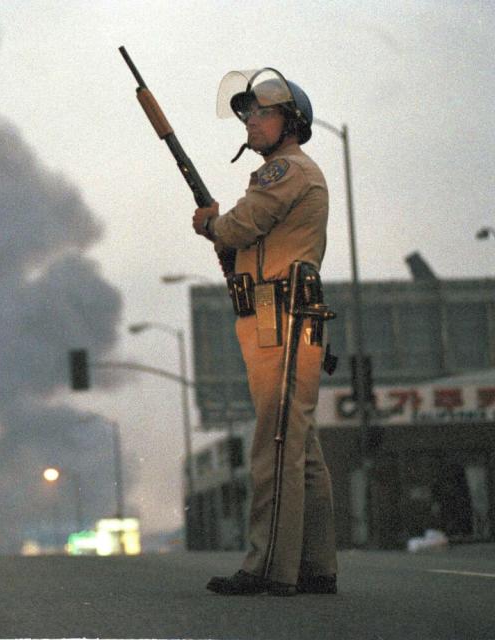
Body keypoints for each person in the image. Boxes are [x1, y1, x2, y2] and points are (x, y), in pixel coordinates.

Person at [191, 68, 338, 596]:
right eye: (247, 113)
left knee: (275, 445)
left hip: (282, 317)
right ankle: (317, 567)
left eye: (261, 111)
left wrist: (209, 222)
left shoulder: (285, 171)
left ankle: (267, 568)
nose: (250, 121)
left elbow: (238, 226)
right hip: (282, 314)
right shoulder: (289, 171)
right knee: (302, 449)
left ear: (290, 121)